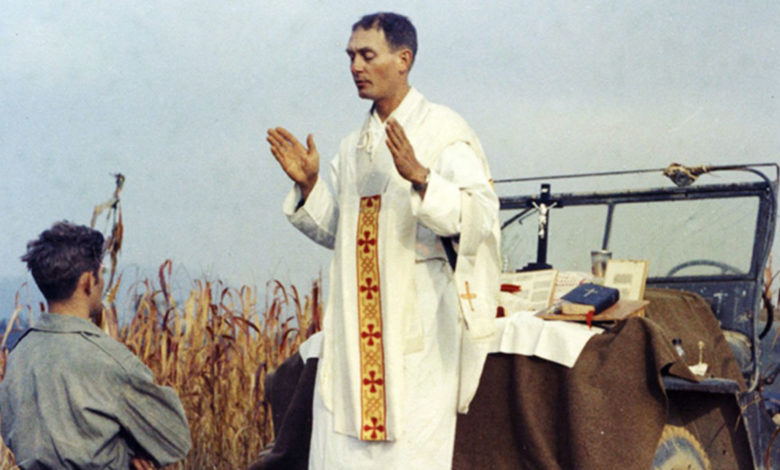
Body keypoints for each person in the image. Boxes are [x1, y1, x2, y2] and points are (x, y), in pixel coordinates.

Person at [267, 12, 500, 469]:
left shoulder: (444, 133)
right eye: (351, 55)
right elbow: (346, 237)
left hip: (417, 331)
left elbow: (482, 219)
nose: (355, 65)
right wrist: (312, 186)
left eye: (367, 55)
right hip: (353, 335)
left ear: (403, 59)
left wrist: (423, 179)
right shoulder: (354, 147)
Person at [0, 221, 191, 469]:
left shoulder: (19, 356)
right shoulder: (108, 360)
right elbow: (175, 439)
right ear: (88, 281)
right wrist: (128, 451)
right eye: (101, 271)